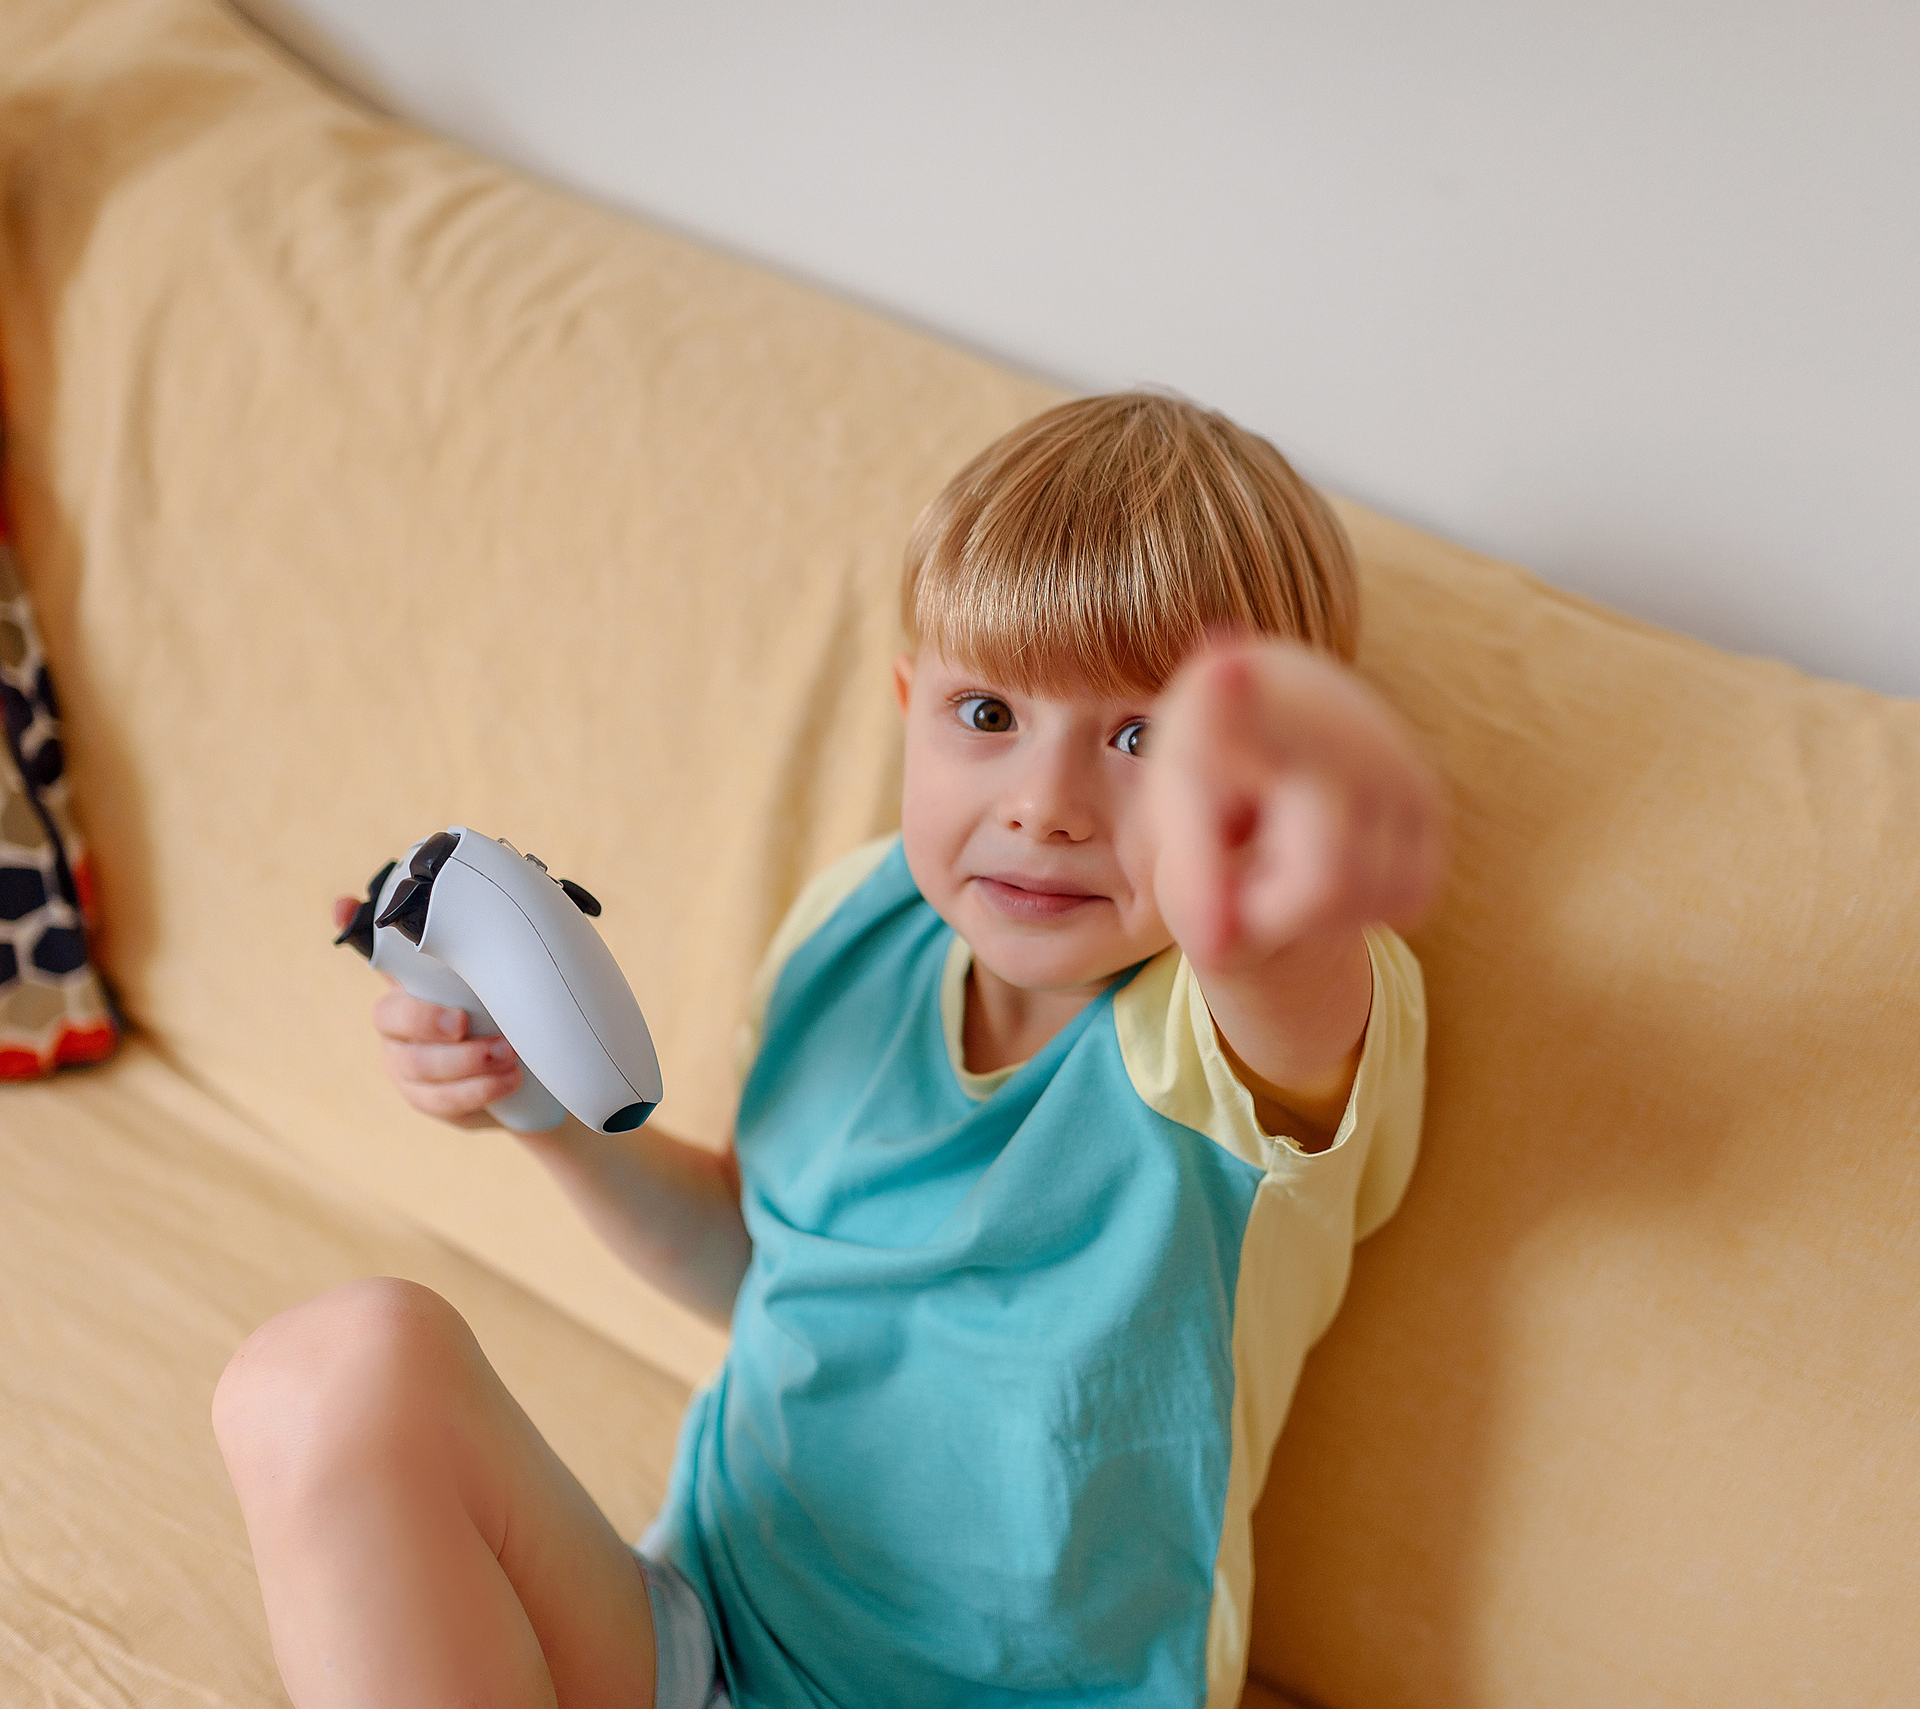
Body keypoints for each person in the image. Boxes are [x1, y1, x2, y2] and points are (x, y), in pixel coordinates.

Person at [212, 391, 1443, 1709]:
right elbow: (764, 1256)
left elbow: (1284, 966)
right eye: (986, 716)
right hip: (699, 1642)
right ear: (909, 701)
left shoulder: (1221, 1045)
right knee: (325, 1375)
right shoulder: (854, 929)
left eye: (1143, 739)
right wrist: (541, 1105)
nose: (1046, 803)